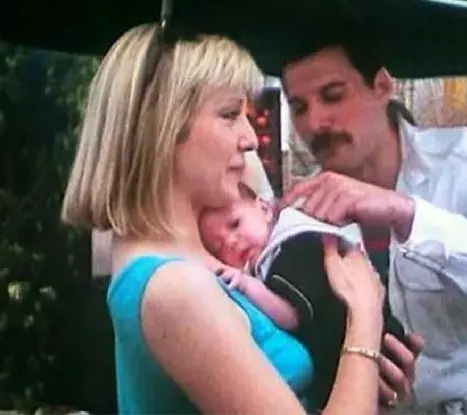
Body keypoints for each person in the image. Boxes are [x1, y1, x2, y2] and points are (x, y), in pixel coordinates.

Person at [61, 25, 416, 415]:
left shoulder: (190, 256)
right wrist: (364, 317)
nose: (249, 139)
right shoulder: (176, 289)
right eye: (230, 114)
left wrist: (360, 378)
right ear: (161, 126)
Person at [278, 32, 467, 413]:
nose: (315, 122)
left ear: (382, 86)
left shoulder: (460, 164)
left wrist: (407, 213)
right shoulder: (303, 217)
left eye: (332, 95)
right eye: (298, 107)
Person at [199, 178, 407, 413]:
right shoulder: (289, 247)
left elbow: (292, 316)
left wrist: (249, 287)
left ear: (265, 209)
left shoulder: (292, 252)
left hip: (364, 358)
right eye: (218, 248)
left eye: (235, 224)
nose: (232, 242)